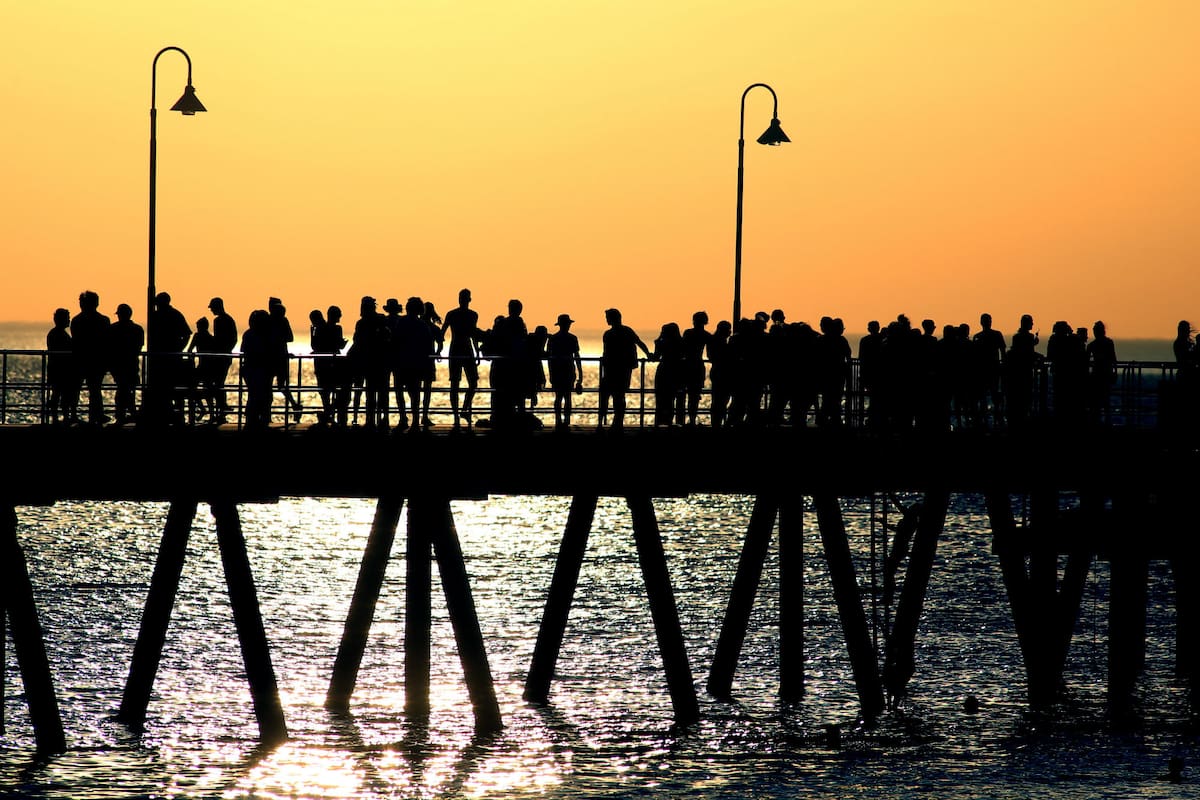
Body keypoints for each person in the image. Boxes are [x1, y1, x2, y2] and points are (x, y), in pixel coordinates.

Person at [598, 308, 650, 430]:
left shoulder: (608, 334)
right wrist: (648, 354)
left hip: (613, 369)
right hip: (623, 369)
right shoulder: (627, 331)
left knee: (606, 397)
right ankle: (617, 422)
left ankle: (603, 423)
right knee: (619, 397)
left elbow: (606, 352)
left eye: (608, 318)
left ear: (612, 319)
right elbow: (640, 343)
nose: (606, 320)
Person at [148, 291, 192, 425]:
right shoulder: (170, 315)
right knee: (168, 388)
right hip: (164, 357)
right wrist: (179, 348)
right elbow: (187, 334)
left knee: (170, 388)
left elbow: (186, 334)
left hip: (167, 358)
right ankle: (171, 414)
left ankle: (175, 415)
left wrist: (178, 349)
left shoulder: (169, 315)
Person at [440, 288, 481, 430]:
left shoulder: (469, 315)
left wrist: (476, 351)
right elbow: (443, 333)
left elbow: (473, 334)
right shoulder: (458, 314)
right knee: (457, 384)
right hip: (459, 349)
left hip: (462, 349)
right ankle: (458, 413)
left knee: (470, 382)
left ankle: (462, 411)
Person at [71, 290, 111, 425]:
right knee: (95, 390)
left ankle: (73, 414)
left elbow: (76, 341)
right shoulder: (104, 321)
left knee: (76, 389)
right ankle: (96, 415)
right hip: (97, 360)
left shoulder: (76, 321)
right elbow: (106, 342)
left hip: (80, 360)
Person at [349, 296, 389, 430]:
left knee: (371, 392)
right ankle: (383, 418)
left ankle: (371, 419)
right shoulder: (381, 319)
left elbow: (357, 341)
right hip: (381, 360)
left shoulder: (362, 323)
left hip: (368, 360)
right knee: (381, 391)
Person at [108, 303, 144, 425]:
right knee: (129, 389)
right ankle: (130, 413)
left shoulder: (113, 329)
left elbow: (109, 348)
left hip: (118, 365)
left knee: (122, 390)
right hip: (131, 364)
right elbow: (139, 347)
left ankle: (122, 414)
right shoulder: (138, 329)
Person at [546, 313, 583, 430]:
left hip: (557, 371)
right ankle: (566, 420)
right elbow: (577, 356)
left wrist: (551, 373)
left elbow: (549, 359)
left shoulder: (553, 339)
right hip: (568, 370)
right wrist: (580, 374)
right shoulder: (572, 338)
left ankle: (558, 420)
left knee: (558, 397)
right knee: (567, 396)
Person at [240, 308, 275, 430]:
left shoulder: (248, 334)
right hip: (261, 369)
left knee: (254, 395)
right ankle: (261, 418)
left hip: (252, 369)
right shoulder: (267, 335)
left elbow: (243, 350)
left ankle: (252, 418)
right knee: (264, 395)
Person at [268, 298, 300, 423]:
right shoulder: (271, 321)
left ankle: (294, 405)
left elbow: (290, 337)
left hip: (279, 357)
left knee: (280, 386)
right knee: (271, 387)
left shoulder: (280, 321)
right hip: (274, 357)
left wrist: (277, 338)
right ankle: (293, 405)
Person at [208, 297, 237, 424]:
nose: (211, 310)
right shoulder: (229, 319)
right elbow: (234, 338)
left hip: (220, 357)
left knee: (217, 384)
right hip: (224, 356)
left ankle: (220, 411)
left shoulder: (220, 321)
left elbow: (219, 339)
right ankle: (221, 411)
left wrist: (221, 350)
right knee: (219, 384)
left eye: (212, 308)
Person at [46, 307, 77, 425]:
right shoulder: (59, 334)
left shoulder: (54, 333)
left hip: (55, 368)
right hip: (61, 369)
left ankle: (58, 417)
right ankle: (62, 416)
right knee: (62, 394)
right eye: (67, 318)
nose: (69, 320)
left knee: (57, 393)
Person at [681, 311, 712, 426]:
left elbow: (682, 349)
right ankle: (692, 420)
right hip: (698, 365)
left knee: (684, 394)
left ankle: (685, 420)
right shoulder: (707, 335)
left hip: (687, 365)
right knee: (694, 396)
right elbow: (710, 354)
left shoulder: (688, 333)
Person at [652, 321, 685, 426]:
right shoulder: (681, 343)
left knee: (661, 399)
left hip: (663, 370)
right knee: (672, 399)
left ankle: (660, 422)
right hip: (677, 371)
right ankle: (672, 422)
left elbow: (656, 356)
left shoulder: (662, 343)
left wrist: (657, 341)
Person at [1086, 320, 1118, 424]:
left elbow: (1086, 361)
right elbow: (1114, 359)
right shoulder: (1108, 343)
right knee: (1105, 401)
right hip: (1105, 374)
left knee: (1096, 402)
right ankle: (1106, 421)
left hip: (1097, 375)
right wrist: (1114, 372)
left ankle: (1096, 421)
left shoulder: (1092, 345)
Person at [186, 317, 217, 423]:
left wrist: (191, 361)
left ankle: (201, 410)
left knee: (192, 389)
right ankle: (211, 414)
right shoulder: (211, 338)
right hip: (210, 368)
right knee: (208, 391)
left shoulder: (197, 336)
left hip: (201, 367)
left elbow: (189, 350)